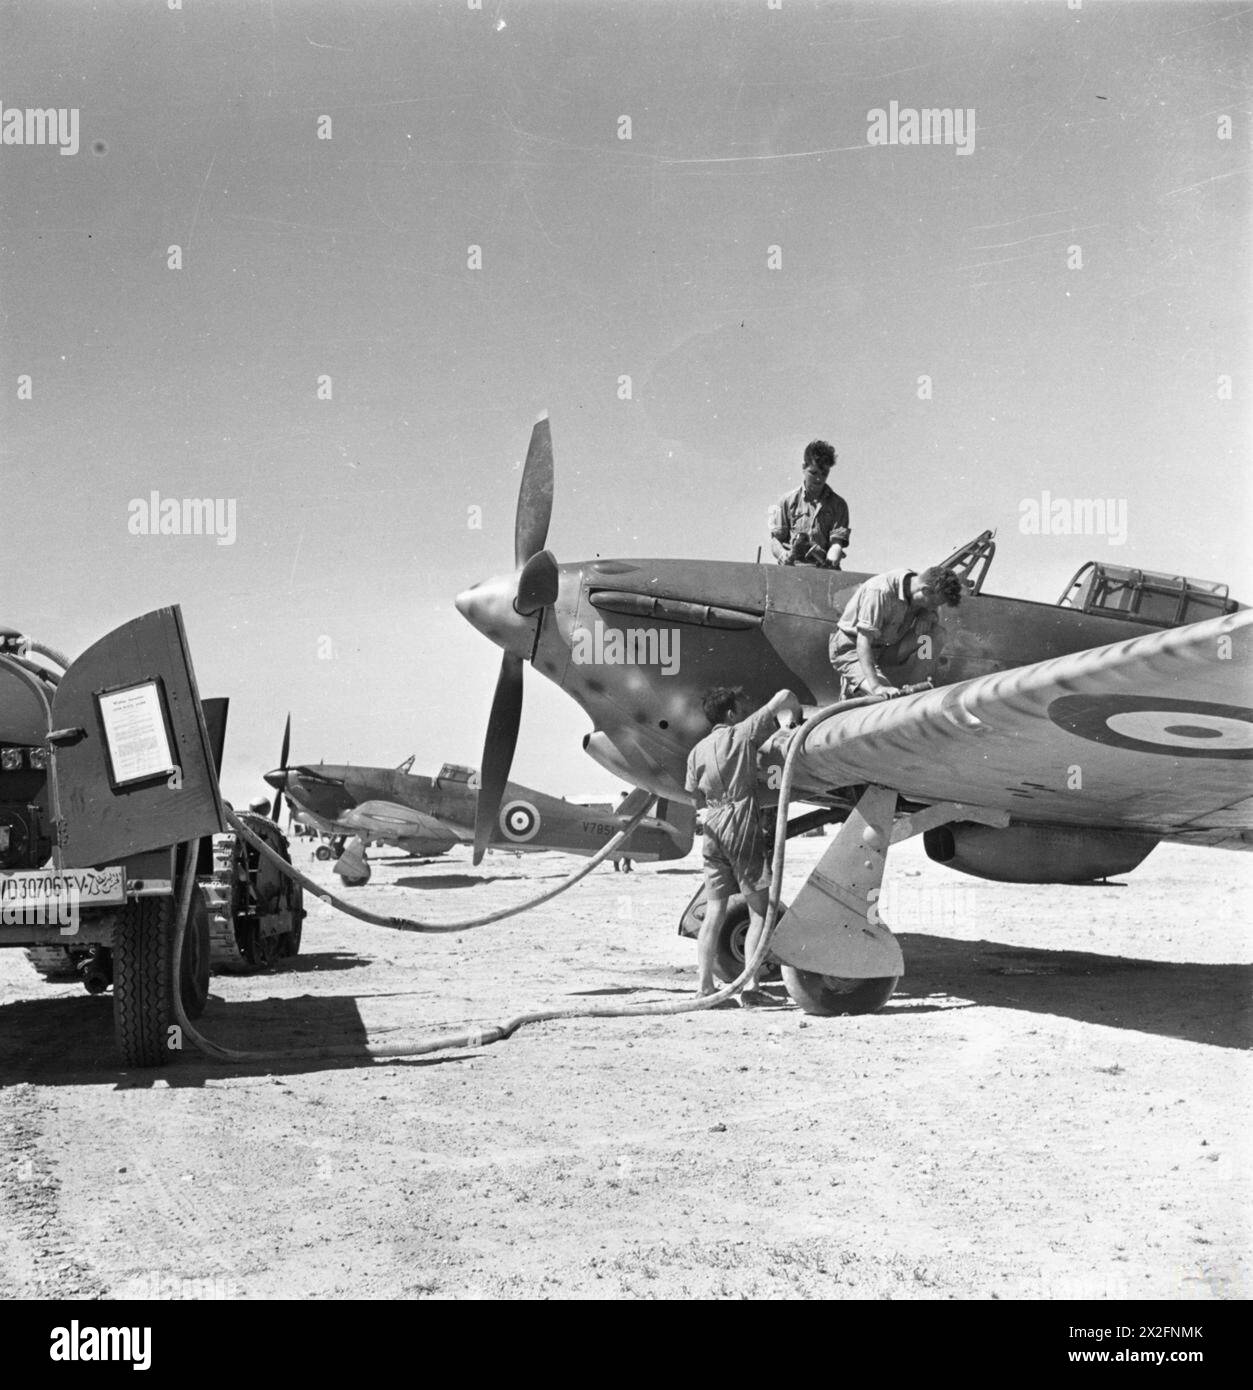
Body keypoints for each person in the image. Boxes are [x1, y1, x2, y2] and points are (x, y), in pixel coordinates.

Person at [685, 686, 802, 1005]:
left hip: (712, 826)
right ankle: (750, 990)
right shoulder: (741, 733)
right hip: (740, 824)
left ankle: (704, 987)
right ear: (731, 713)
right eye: (739, 706)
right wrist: (798, 717)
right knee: (760, 912)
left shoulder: (697, 751)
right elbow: (783, 696)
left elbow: (693, 795)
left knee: (715, 911)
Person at [829, 565, 963, 698]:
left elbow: (931, 611)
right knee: (885, 696)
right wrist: (877, 687)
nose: (933, 608)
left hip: (885, 649)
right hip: (852, 650)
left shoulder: (917, 582)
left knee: (933, 635)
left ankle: (915, 690)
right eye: (933, 603)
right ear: (926, 591)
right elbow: (863, 642)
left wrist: (926, 614)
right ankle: (854, 686)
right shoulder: (879, 592)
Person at [769, 440, 851, 569]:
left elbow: (837, 543)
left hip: (825, 573)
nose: (819, 479)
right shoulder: (785, 501)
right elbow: (776, 540)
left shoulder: (839, 505)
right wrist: (783, 556)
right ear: (803, 467)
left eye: (824, 474)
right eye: (813, 473)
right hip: (791, 571)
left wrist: (829, 562)